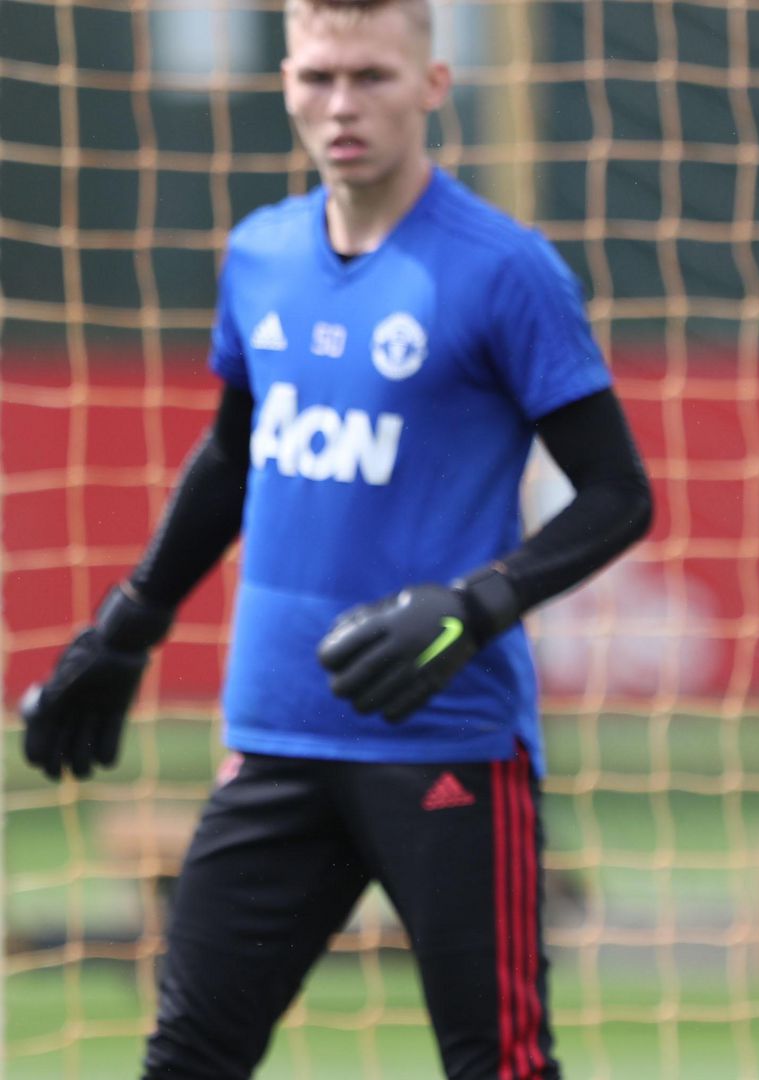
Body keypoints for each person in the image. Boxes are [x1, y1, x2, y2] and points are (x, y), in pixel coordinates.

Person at [18, 0, 652, 1075]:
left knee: (499, 1064)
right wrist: (129, 624)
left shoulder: (507, 271)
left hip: (447, 742)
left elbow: (617, 496)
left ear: (432, 86)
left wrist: (472, 606)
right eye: (318, 78)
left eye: (371, 76)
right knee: (188, 1054)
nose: (342, 104)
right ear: (286, 82)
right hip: (275, 737)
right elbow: (231, 456)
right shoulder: (258, 253)